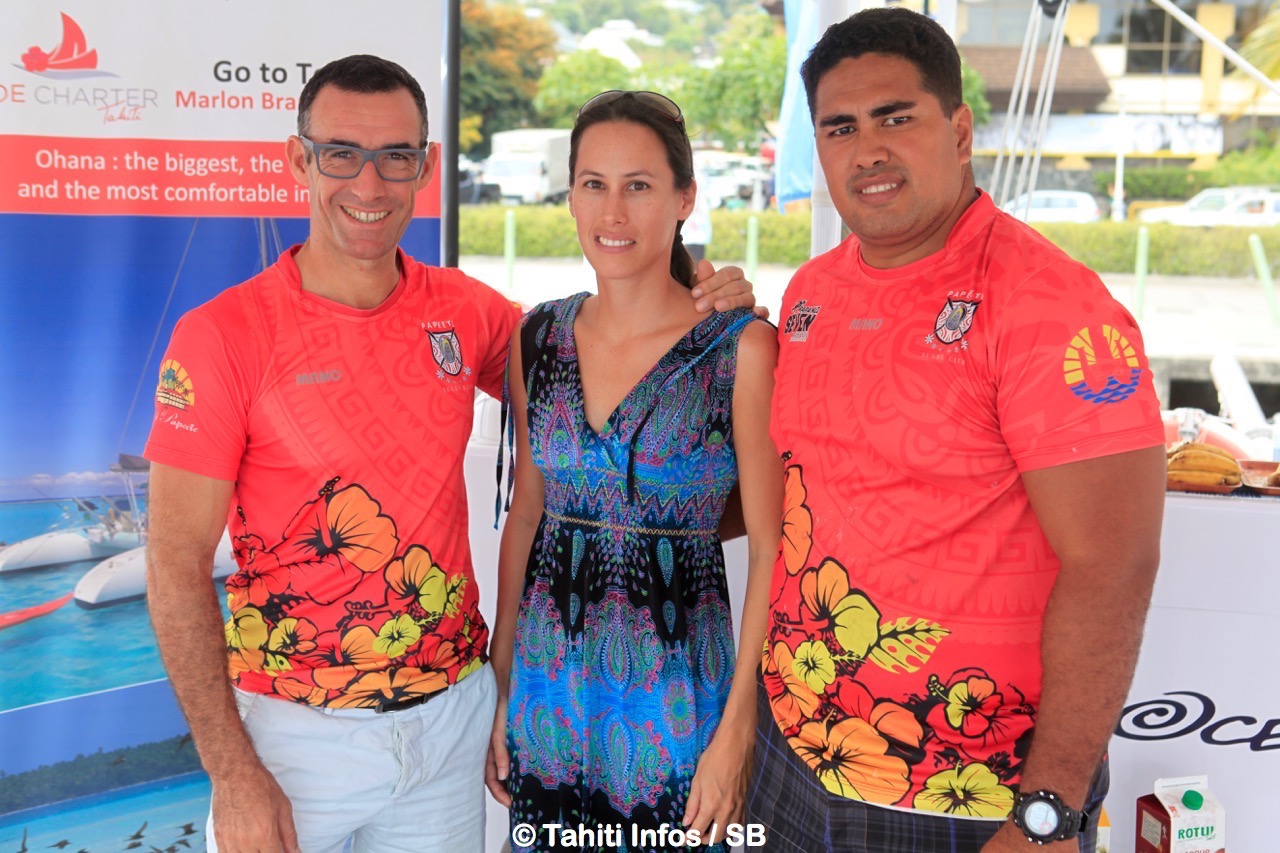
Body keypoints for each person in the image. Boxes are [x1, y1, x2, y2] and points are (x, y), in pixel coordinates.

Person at [143, 58, 756, 853]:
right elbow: (174, 562)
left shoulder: (471, 314)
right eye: (341, 154)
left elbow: (625, 394)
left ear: (427, 167)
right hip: (293, 741)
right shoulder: (222, 336)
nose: (369, 182)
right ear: (298, 160)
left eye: (395, 156)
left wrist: (713, 300)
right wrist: (231, 771)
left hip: (450, 725)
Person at [748, 9, 1166, 853]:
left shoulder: (1052, 305)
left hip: (969, 794)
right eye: (840, 127)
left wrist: (1048, 812)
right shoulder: (810, 293)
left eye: (895, 118)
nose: (867, 150)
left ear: (962, 130)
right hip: (790, 749)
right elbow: (799, 488)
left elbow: (1113, 564)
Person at [484, 90, 782, 852]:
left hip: (680, 705)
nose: (612, 212)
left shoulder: (739, 349)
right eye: (594, 184)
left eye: (639, 185)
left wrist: (739, 726)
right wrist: (501, 678)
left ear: (685, 198)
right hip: (549, 697)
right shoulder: (538, 335)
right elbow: (527, 513)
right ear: (571, 195)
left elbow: (773, 545)